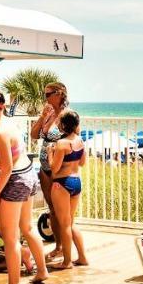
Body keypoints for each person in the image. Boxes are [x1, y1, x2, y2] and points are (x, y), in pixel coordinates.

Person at [0, 79, 49, 284]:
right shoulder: (5, 124)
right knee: (27, 228)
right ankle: (42, 271)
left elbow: (6, 168)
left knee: (10, 237)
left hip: (14, 180)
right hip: (28, 175)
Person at [46, 109, 87, 269]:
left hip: (61, 183)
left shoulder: (61, 144)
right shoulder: (80, 141)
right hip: (76, 181)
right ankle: (82, 257)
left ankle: (67, 261)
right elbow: (82, 163)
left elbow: (54, 169)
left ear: (63, 125)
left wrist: (51, 153)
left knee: (64, 224)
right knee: (70, 222)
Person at [31, 82, 69, 256]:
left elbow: (74, 140)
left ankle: (66, 249)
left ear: (59, 94)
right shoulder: (48, 114)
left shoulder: (67, 115)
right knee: (52, 209)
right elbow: (33, 135)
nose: (45, 98)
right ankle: (59, 246)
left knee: (62, 210)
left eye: (48, 94)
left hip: (59, 168)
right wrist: (41, 117)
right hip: (45, 167)